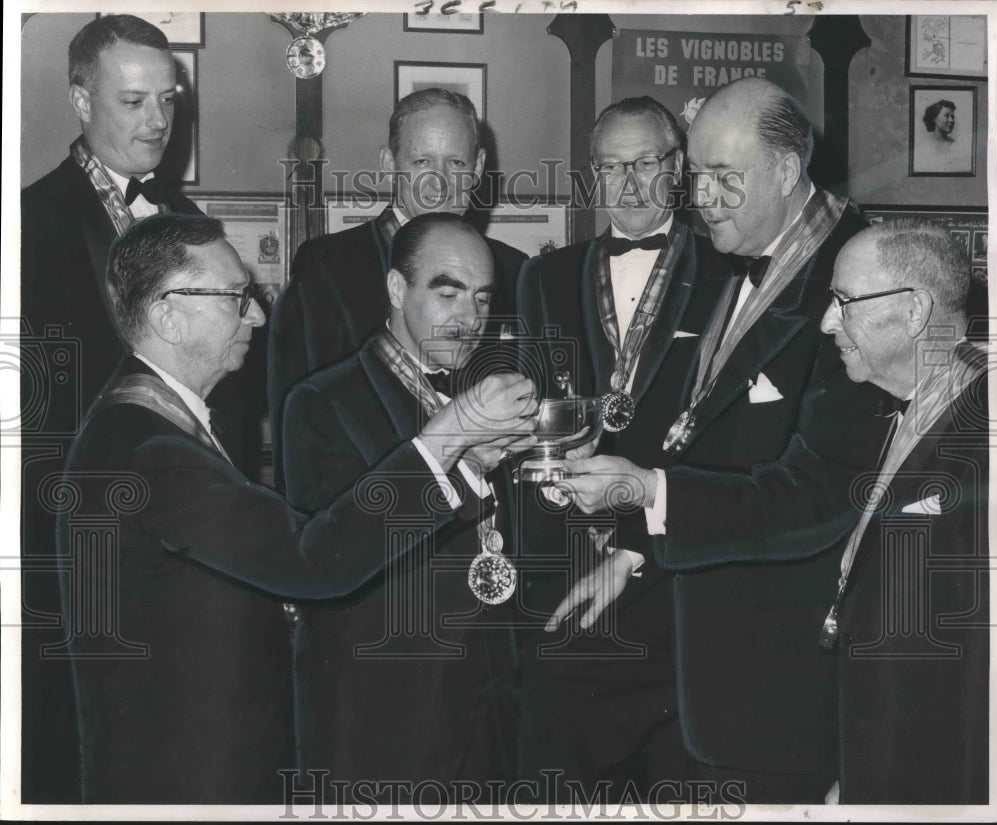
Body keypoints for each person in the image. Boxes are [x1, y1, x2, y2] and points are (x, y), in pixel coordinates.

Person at [58, 213, 526, 804]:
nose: (256, 314)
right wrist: (442, 440)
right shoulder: (149, 447)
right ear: (166, 316)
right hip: (183, 783)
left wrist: (468, 459)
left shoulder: (151, 426)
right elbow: (313, 561)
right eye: (235, 297)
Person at [548, 77, 893, 802]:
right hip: (702, 666)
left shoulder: (859, 279)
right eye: (698, 174)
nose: (701, 196)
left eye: (724, 178)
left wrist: (649, 490)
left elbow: (825, 492)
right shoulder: (745, 253)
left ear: (787, 171)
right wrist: (636, 547)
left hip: (780, 683)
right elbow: (707, 436)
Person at [281, 212, 538, 802]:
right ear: (397, 290)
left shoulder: (491, 391)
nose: (470, 319)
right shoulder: (321, 403)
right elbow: (336, 562)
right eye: (448, 293)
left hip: (490, 706)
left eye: (481, 298)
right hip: (382, 717)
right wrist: (460, 448)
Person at [514, 96, 728, 800]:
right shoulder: (544, 276)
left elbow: (732, 441)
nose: (630, 183)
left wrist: (639, 533)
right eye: (611, 166)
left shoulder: (730, 271)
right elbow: (540, 412)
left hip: (675, 572)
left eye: (646, 163)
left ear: (678, 169)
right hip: (572, 570)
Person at [18, 14, 203, 801]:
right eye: (134, 102)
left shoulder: (191, 225)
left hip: (179, 533)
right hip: (72, 545)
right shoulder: (27, 224)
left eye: (167, 99)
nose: (159, 121)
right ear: (79, 99)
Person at [268, 87, 527, 484]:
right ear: (389, 164)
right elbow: (301, 430)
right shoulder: (328, 267)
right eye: (422, 161)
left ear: (478, 168)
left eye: (456, 162)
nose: (438, 184)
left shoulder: (514, 269)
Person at [819, 221, 988, 804]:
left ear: (915, 309)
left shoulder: (982, 438)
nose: (827, 322)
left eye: (844, 302)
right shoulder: (892, 407)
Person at [913, 99, 970, 174]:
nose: (951, 120)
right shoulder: (923, 146)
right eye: (946, 116)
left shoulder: (957, 146)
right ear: (934, 118)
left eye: (952, 117)